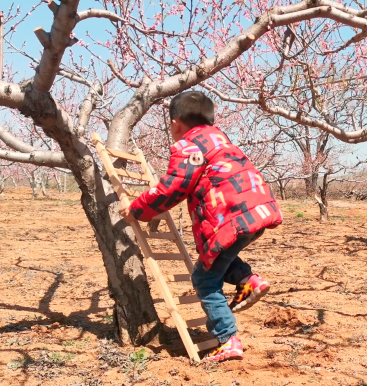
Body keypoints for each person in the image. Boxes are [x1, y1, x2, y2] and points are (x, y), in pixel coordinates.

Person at [120, 91, 283, 362]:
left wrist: (138, 208)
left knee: (205, 280)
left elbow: (174, 187)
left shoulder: (189, 146)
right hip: (255, 211)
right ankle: (248, 280)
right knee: (223, 254)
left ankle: (227, 338)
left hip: (228, 216)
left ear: (176, 123)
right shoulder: (221, 141)